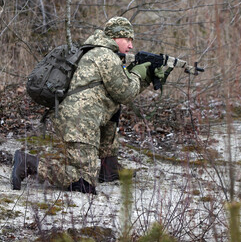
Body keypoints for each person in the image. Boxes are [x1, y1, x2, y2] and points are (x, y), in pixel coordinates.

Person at [11, 16, 164, 194]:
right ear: (115, 37)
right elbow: (126, 93)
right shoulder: (105, 56)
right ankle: (28, 163)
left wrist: (145, 77)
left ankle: (109, 169)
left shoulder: (96, 52)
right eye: (127, 39)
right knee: (84, 182)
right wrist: (140, 74)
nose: (130, 45)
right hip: (80, 122)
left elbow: (118, 95)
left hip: (76, 118)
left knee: (113, 109)